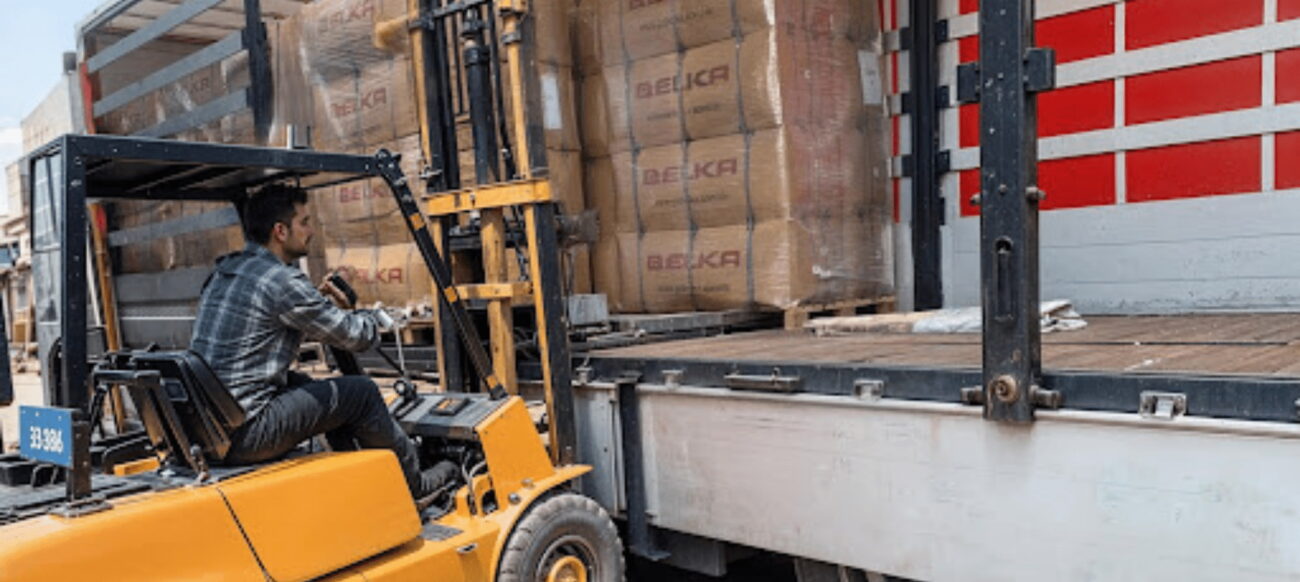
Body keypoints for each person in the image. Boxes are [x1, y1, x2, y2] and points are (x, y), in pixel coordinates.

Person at [190, 183, 430, 498]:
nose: (311, 231)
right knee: (362, 392)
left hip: (212, 427)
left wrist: (315, 304)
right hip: (247, 434)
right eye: (304, 222)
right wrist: (379, 318)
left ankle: (356, 473)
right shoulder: (282, 281)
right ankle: (414, 487)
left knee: (306, 383)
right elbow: (355, 337)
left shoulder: (226, 270)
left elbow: (265, 321)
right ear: (280, 231)